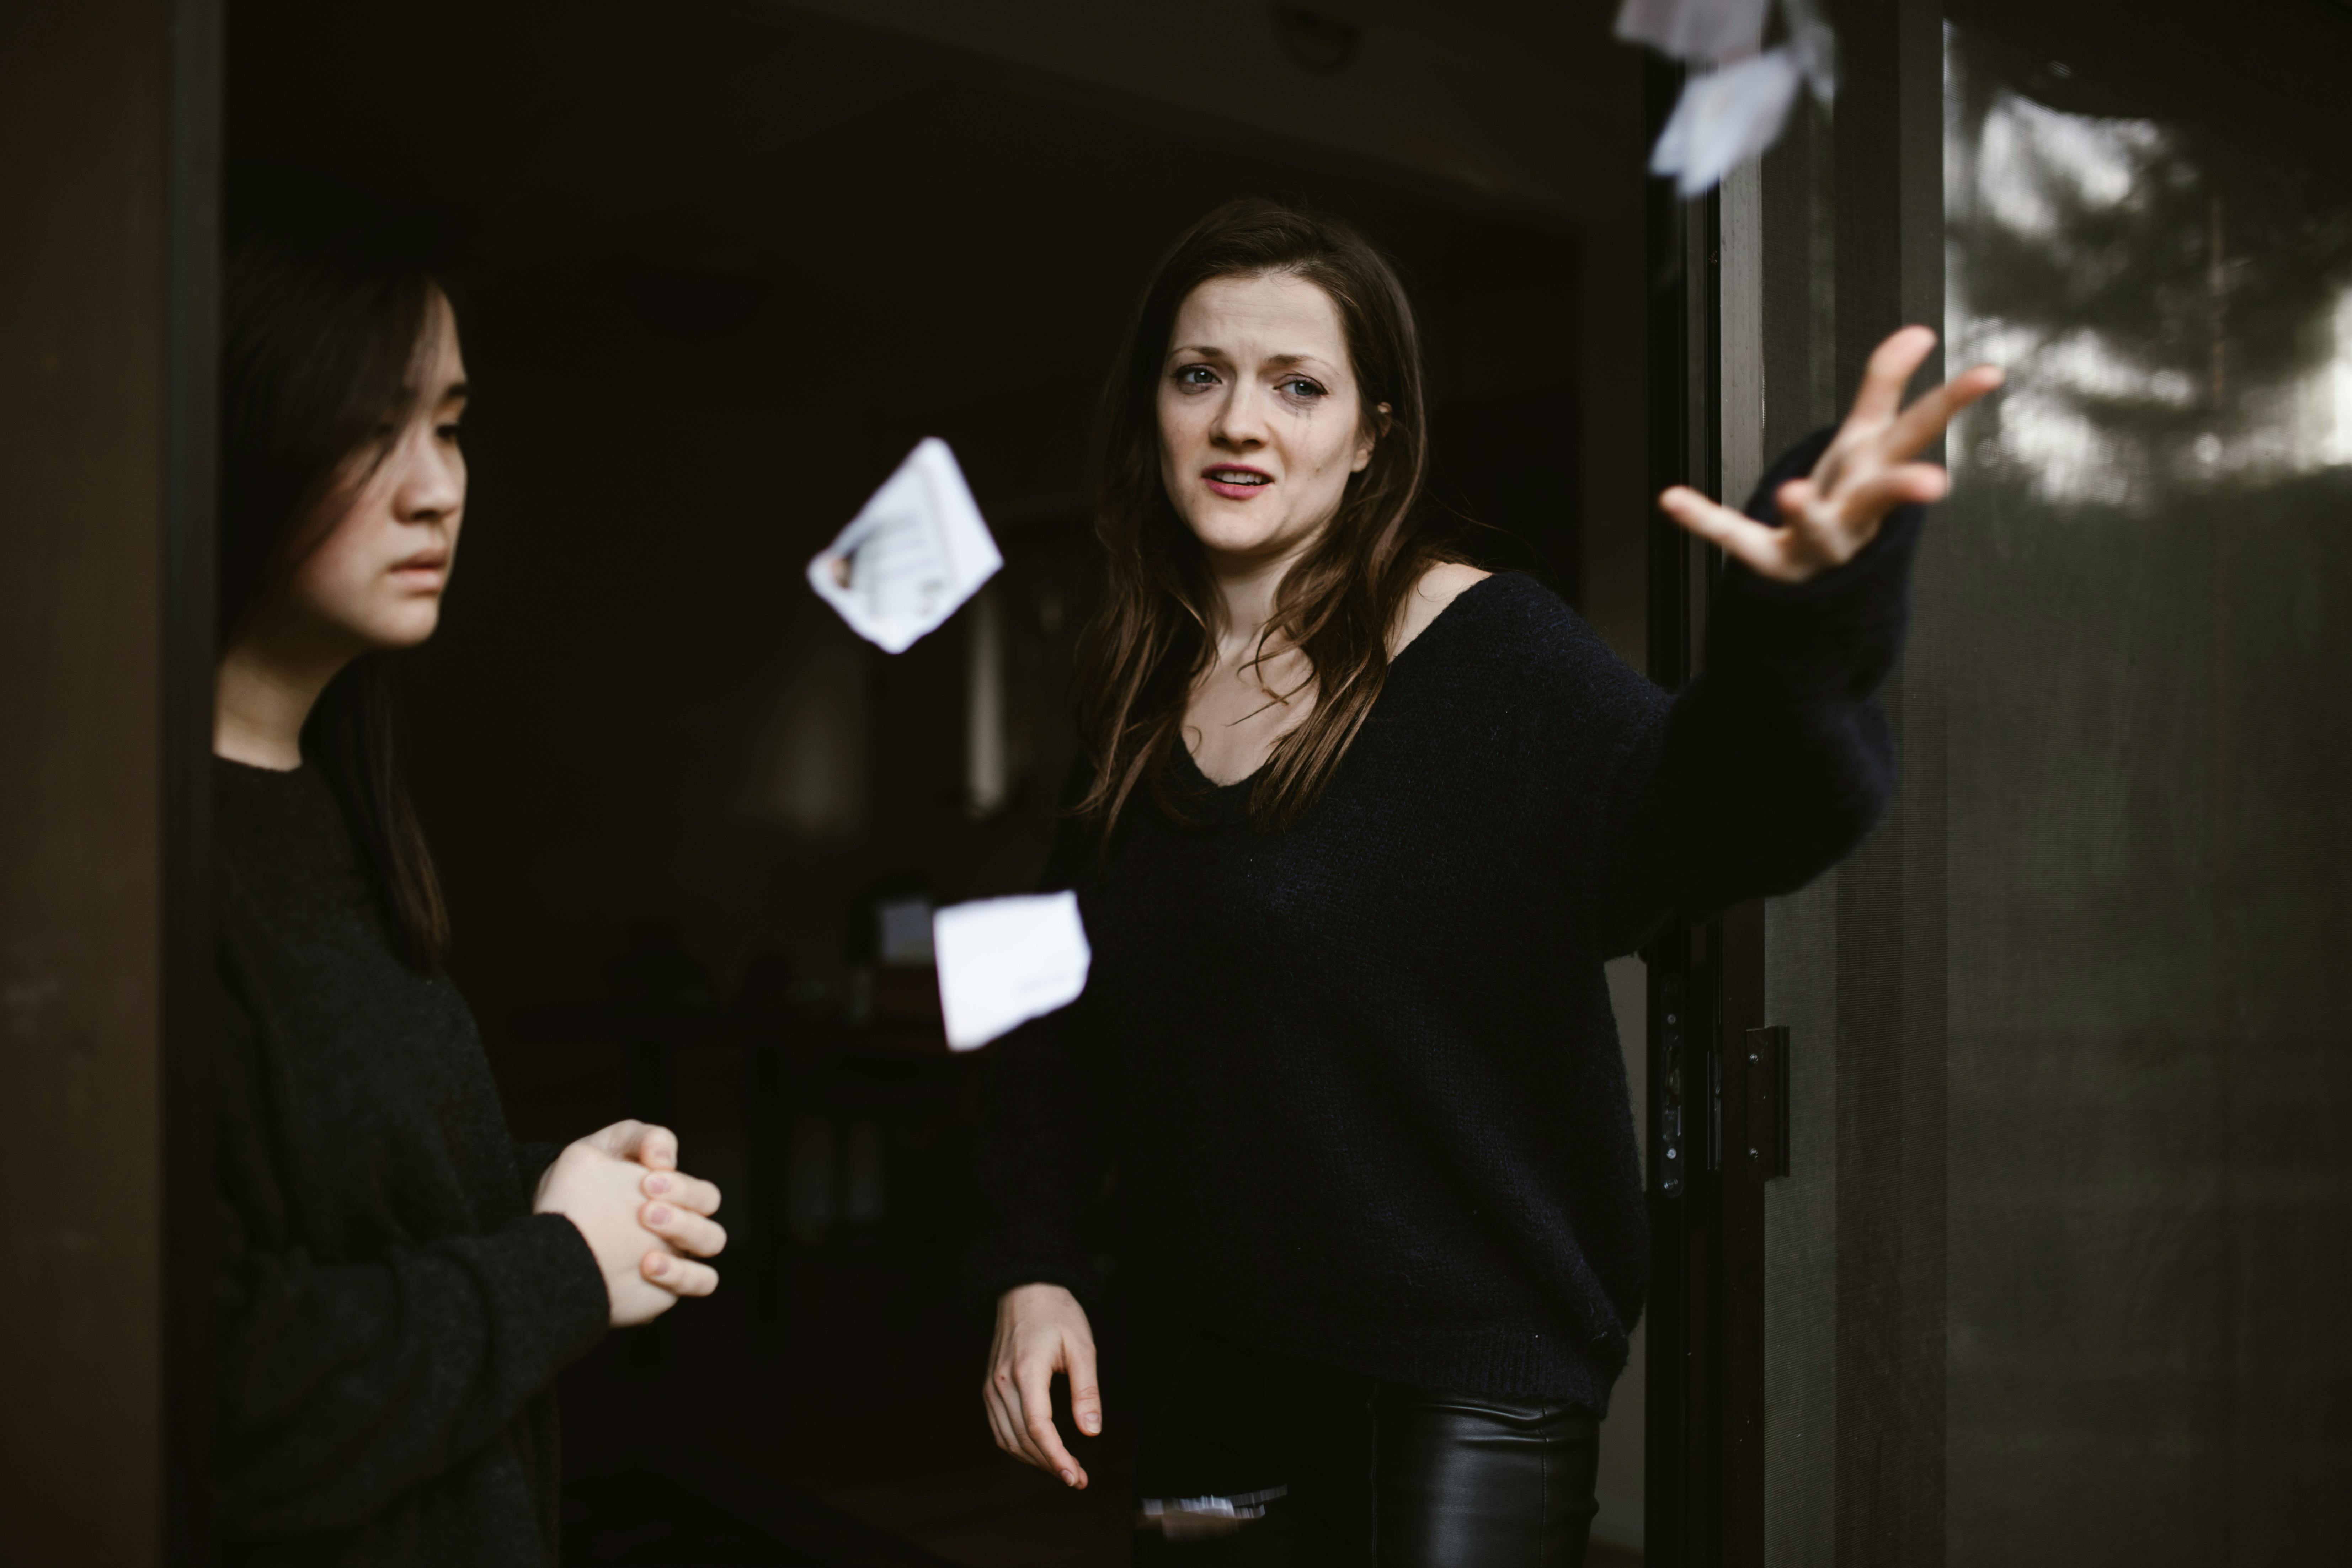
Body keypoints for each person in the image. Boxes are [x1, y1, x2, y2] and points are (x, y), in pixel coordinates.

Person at [974, 198, 1999, 1564]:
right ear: (1153, 408)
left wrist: (1804, 628)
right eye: (1200, 374)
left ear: (1372, 435)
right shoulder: (1137, 692)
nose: (1240, 422)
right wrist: (1033, 1260)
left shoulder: (1486, 649)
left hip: (1456, 1382)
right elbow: (1050, 1009)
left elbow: (1707, 819)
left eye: (1299, 385)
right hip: (1202, 1363)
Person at [209, 176, 727, 1566]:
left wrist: (545, 1183)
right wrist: (558, 1265)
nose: (439, 485)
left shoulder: (334, 802)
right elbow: (218, 1395)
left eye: (447, 423)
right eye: (374, 428)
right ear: (246, 431)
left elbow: (345, 1192)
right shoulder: (127, 869)